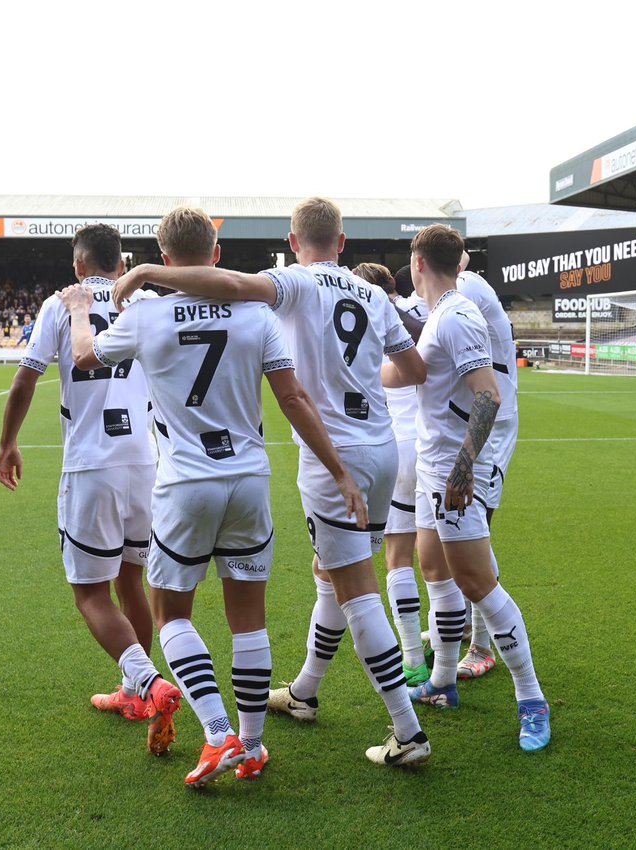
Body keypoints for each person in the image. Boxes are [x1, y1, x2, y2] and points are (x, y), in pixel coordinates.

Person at [113, 197, 432, 767]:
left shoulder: (293, 284)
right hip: (384, 446)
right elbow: (412, 372)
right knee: (332, 573)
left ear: (293, 241)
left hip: (332, 453)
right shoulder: (376, 293)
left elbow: (227, 285)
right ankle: (305, 691)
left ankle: (408, 732)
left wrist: (148, 272)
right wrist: (356, 376)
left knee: (357, 586)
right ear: (342, 242)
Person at [64, 206, 367, 786]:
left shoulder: (147, 315)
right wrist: (340, 473)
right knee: (248, 620)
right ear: (218, 254)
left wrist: (82, 311)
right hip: (249, 478)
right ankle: (252, 746)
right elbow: (295, 399)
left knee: (172, 613)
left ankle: (216, 731)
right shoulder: (256, 315)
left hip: (184, 483)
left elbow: (84, 357)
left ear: (164, 256)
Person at [0, 224, 180, 756]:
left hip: (91, 463)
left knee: (90, 592)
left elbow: (25, 379)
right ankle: (133, 690)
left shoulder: (60, 303)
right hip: (145, 461)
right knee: (131, 581)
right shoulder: (143, 301)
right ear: (120, 264)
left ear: (79, 266)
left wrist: (8, 443)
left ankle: (147, 684)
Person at [406, 225, 550, 752]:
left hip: (452, 467)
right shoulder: (440, 310)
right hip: (431, 463)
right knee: (433, 567)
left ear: (418, 261)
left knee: (476, 581)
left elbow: (486, 395)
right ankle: (443, 682)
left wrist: (464, 469)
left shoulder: (460, 312)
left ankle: (532, 699)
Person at [352, 261, 430, 685]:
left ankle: (414, 660)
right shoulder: (420, 319)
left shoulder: (363, 324)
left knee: (397, 557)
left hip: (395, 448)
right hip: (432, 444)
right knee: (441, 556)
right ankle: (456, 642)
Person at [453, 253, 520, 680]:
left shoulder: (468, 286)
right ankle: (462, 623)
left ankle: (482, 645)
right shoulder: (457, 290)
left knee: (477, 528)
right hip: (477, 416)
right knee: (458, 526)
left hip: (494, 420)